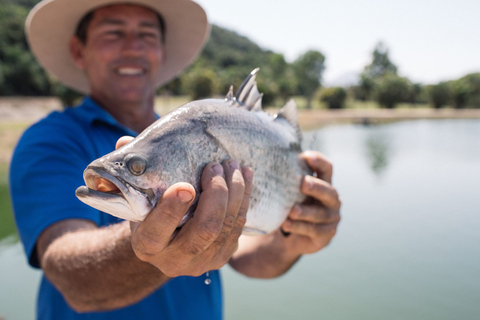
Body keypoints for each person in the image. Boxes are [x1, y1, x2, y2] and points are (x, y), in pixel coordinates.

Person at [9, 0, 341, 319]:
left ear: (162, 52)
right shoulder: (49, 141)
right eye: (113, 32)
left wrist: (294, 240)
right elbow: (71, 278)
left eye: (147, 35)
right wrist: (150, 241)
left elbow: (245, 257)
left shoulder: (182, 131)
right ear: (79, 50)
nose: (133, 47)